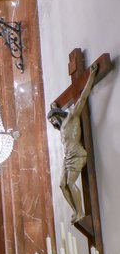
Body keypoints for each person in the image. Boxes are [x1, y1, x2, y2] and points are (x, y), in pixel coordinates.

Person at [48, 62, 98, 222]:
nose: (53, 121)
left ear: (59, 114)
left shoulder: (73, 116)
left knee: (70, 183)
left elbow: (83, 97)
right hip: (67, 157)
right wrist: (53, 107)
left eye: (54, 117)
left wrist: (91, 76)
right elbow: (54, 110)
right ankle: (75, 211)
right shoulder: (61, 128)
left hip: (77, 155)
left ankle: (81, 212)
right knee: (62, 185)